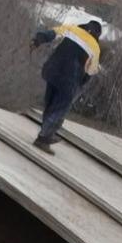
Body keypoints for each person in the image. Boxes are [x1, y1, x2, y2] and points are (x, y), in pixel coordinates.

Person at [29, 19, 103, 152]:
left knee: (50, 104)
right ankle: (44, 138)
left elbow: (51, 33)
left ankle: (46, 135)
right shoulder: (95, 47)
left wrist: (37, 40)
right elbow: (91, 71)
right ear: (97, 34)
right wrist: (80, 83)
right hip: (69, 81)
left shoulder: (72, 29)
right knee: (59, 109)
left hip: (51, 71)